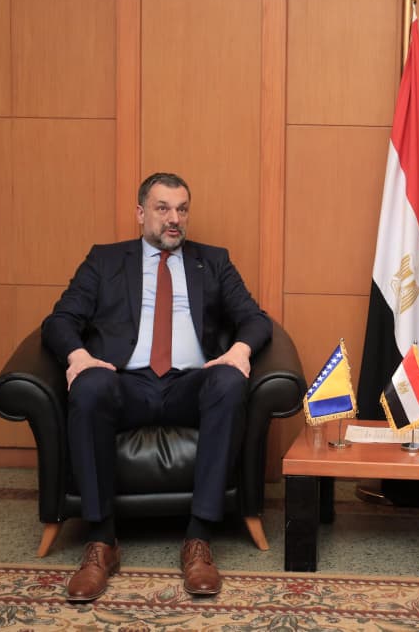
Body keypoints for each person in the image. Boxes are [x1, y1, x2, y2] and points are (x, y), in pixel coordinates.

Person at [42, 172, 272, 603]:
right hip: (124, 384)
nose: (174, 219)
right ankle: (101, 541)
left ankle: (199, 538)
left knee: (228, 380)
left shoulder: (213, 261)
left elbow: (255, 319)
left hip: (190, 385)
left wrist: (240, 351)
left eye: (182, 209)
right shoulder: (105, 260)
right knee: (89, 387)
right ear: (140, 213)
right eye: (162, 208)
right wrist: (78, 357)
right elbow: (60, 320)